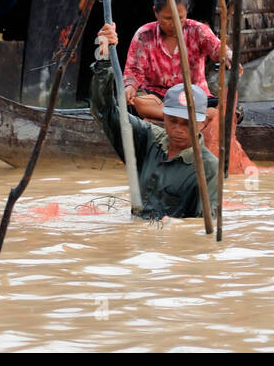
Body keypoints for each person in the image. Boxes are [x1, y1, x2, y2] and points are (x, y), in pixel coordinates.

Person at [122, 0, 256, 174]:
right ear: (155, 13)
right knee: (137, 102)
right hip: (158, 98)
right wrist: (129, 88)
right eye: (168, 18)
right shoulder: (144, 35)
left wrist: (228, 56)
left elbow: (218, 48)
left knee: (231, 110)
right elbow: (133, 72)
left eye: (180, 17)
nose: (174, 24)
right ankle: (189, 117)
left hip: (194, 97)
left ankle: (190, 114)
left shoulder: (197, 30)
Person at [92, 23, 218, 219]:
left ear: (202, 124)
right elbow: (104, 110)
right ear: (164, 117)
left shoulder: (208, 167)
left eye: (187, 123)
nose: (178, 129)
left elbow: (201, 227)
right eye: (172, 120)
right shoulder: (148, 138)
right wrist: (104, 58)